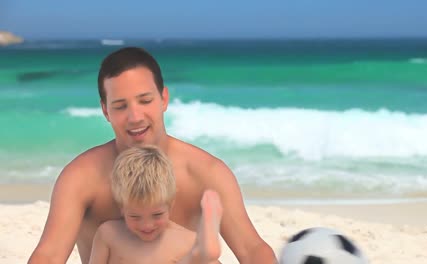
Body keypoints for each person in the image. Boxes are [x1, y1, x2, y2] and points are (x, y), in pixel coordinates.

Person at [28, 47, 277, 264]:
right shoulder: (82, 178)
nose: (135, 117)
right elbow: (48, 256)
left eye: (145, 100)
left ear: (163, 98)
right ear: (105, 110)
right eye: (120, 106)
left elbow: (252, 249)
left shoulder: (205, 173)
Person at [89, 145, 222, 264]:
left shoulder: (184, 240)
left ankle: (201, 254)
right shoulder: (107, 234)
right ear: (121, 207)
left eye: (157, 215)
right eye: (135, 216)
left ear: (171, 203)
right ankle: (198, 254)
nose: (147, 225)